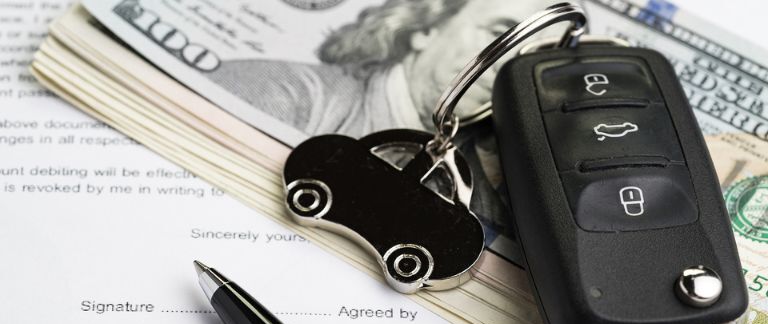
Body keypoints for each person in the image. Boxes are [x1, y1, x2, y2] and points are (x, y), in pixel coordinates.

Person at [207, 0, 557, 263]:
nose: (510, 69)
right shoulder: (278, 90)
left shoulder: (492, 206)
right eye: (499, 35)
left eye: (529, 58)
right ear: (427, 27)